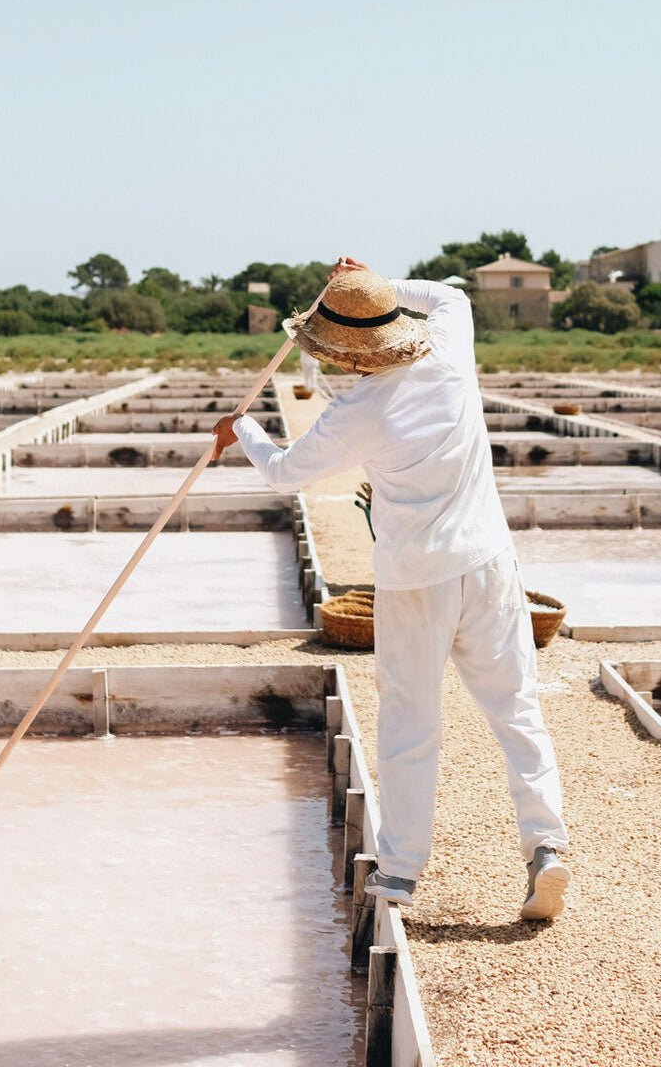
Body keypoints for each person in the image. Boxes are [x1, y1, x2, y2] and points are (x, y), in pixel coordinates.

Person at [212, 257, 572, 920]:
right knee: (517, 709)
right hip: (490, 565)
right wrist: (375, 279)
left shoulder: (357, 412)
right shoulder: (449, 349)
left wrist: (241, 431)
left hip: (416, 580)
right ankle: (546, 847)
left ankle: (402, 872)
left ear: (345, 357)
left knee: (411, 723)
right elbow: (450, 294)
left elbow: (284, 472)